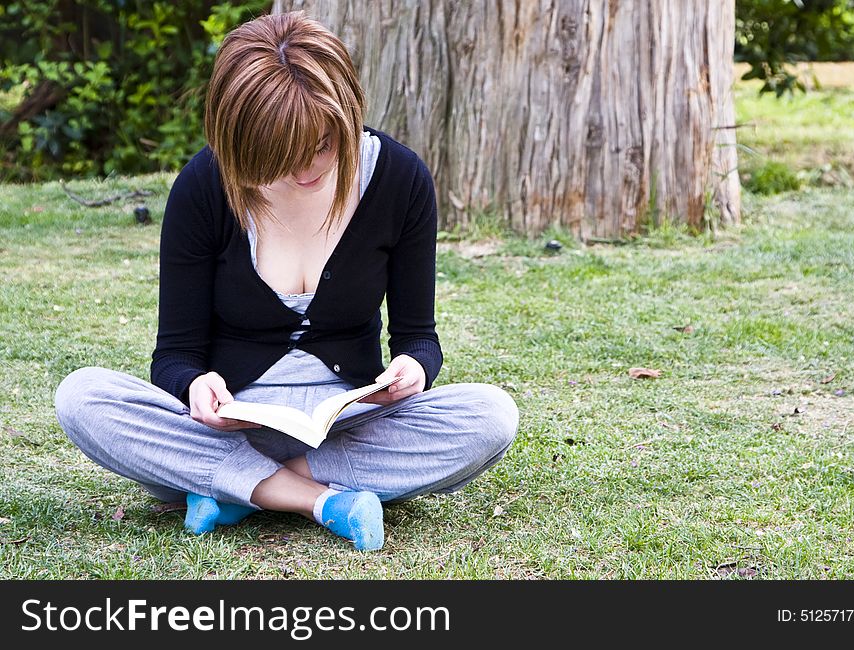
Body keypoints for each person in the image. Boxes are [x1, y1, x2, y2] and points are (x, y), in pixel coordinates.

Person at [54, 11, 518, 552]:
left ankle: (241, 490)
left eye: (324, 144)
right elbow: (175, 355)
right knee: (81, 396)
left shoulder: (399, 178)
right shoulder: (204, 186)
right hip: (228, 429)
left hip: (349, 428)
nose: (307, 170)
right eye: (282, 156)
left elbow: (419, 336)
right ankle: (320, 500)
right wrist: (193, 386)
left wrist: (415, 367)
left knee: (491, 415)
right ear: (241, 141)